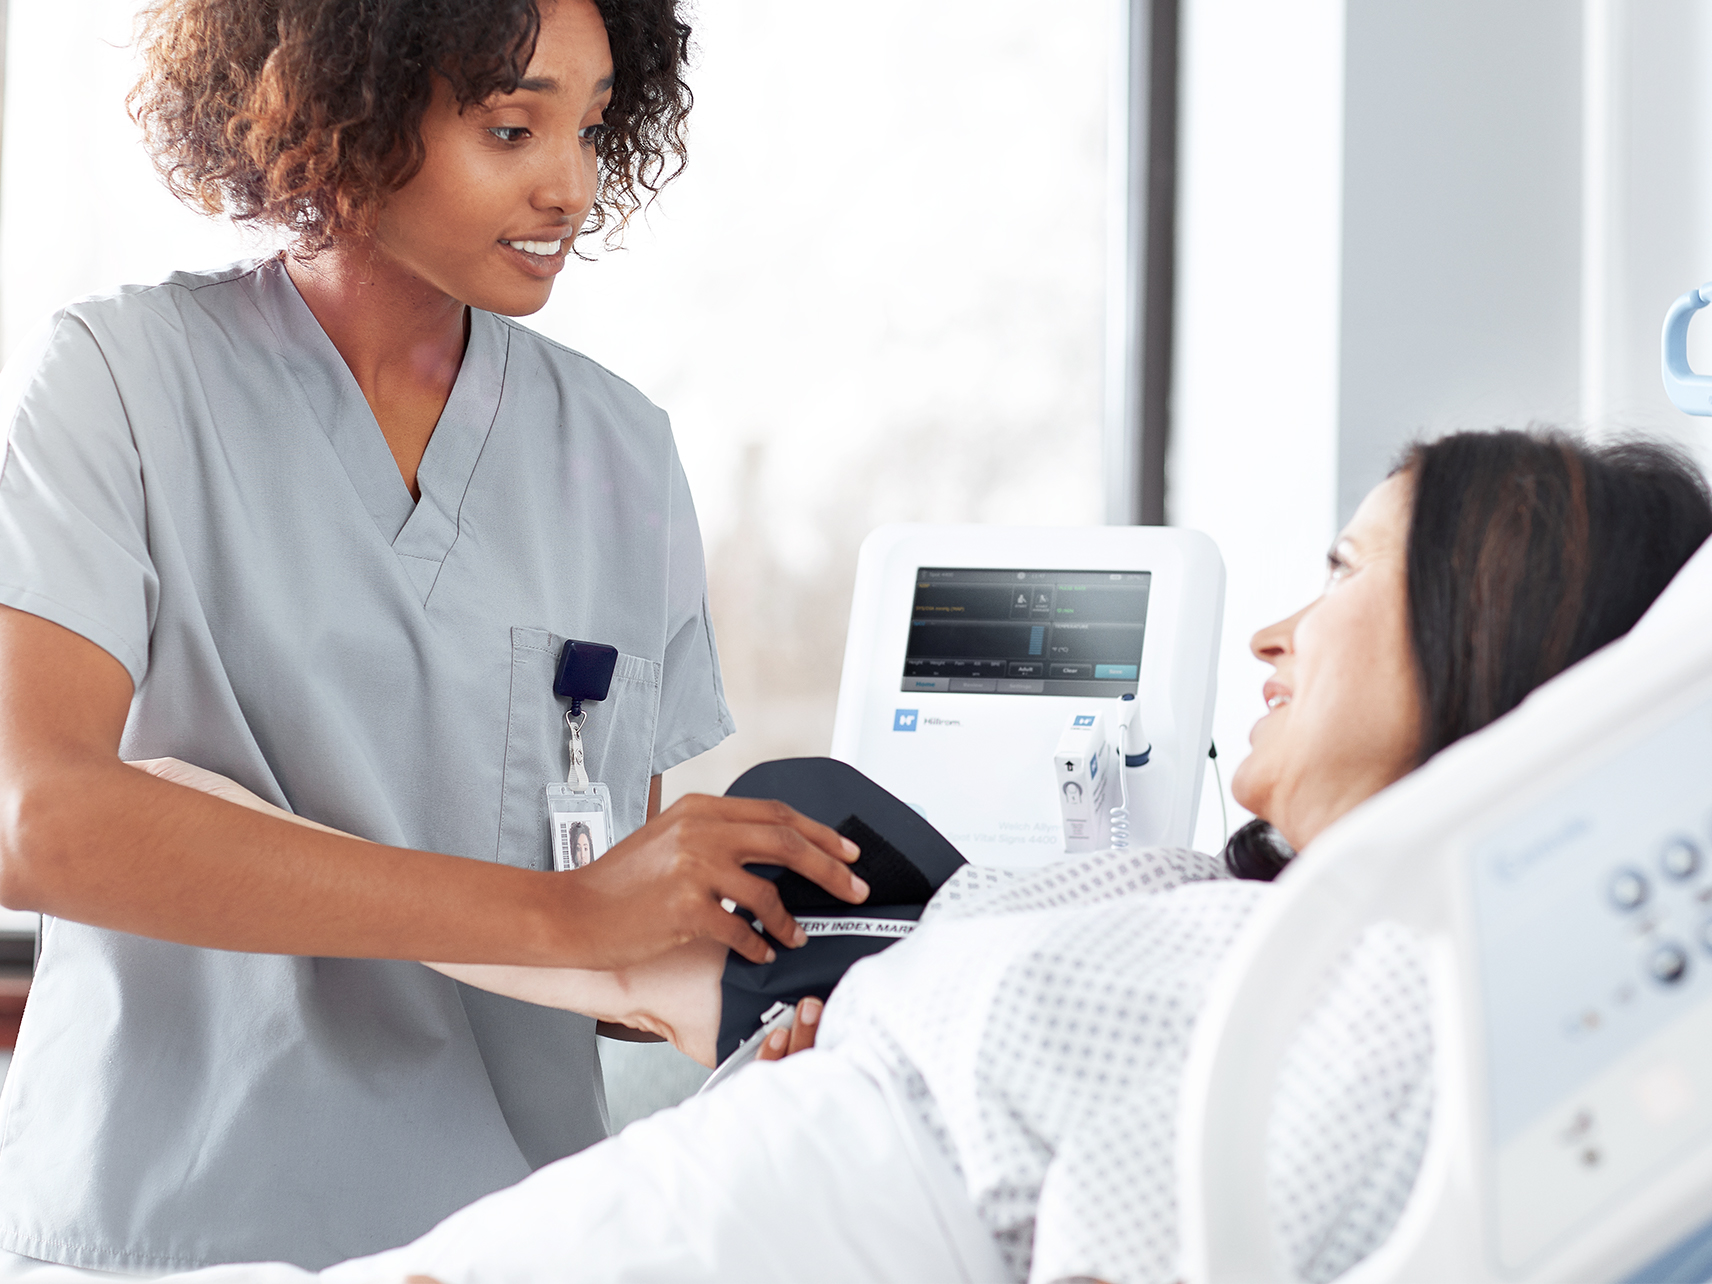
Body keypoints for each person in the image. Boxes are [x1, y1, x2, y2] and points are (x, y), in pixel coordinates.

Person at [145, 430, 1712, 1284]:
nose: (1275, 631)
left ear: (1488, 625)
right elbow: (618, 958)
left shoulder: (1377, 994)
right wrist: (185, 809)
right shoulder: (1190, 900)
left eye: (1343, 570)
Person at [0, 0, 869, 1274]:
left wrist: (726, 999)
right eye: (512, 128)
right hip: (169, 1232)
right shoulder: (124, 381)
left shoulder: (622, 456)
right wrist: (568, 918)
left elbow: (604, 908)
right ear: (338, 113)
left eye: (591, 126)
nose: (570, 186)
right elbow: (39, 821)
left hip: (512, 1240)